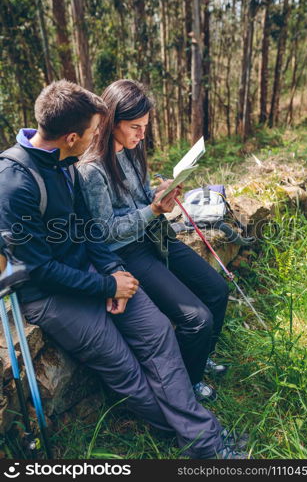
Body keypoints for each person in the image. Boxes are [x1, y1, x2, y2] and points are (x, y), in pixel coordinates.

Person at [0, 80, 249, 459]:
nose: (96, 139)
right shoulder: (15, 183)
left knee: (160, 333)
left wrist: (114, 273)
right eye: (92, 132)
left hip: (95, 272)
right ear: (70, 136)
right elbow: (39, 270)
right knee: (126, 369)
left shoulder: (65, 162)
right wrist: (104, 286)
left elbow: (91, 231)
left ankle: (202, 440)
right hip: (50, 296)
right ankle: (203, 442)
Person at [78, 79, 229, 401]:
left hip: (155, 235)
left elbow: (141, 196)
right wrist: (152, 209)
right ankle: (187, 385)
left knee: (217, 290)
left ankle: (199, 358)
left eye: (145, 126)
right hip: (128, 251)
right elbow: (104, 231)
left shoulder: (132, 152)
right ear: (110, 121)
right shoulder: (92, 170)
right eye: (135, 127)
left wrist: (161, 193)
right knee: (196, 319)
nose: (142, 134)